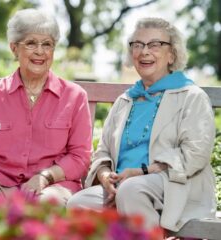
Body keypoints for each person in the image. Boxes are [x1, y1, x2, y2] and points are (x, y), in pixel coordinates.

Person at [67, 17, 216, 231]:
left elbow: (195, 155)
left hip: (174, 185)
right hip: (124, 186)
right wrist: (105, 176)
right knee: (78, 204)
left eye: (155, 44)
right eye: (138, 45)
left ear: (172, 54)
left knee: (131, 190)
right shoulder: (125, 100)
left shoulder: (191, 97)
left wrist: (142, 172)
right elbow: (103, 152)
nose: (144, 51)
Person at [0, 8, 92, 206]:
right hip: (0, 185)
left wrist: (45, 176)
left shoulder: (75, 96)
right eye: (31, 43)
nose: (40, 51)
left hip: (51, 186)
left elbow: (80, 157)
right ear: (14, 48)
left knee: (48, 202)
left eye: (47, 44)